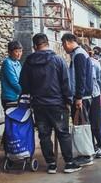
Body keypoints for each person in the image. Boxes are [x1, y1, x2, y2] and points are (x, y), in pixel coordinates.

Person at [19, 33, 81, 174]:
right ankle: (69, 163)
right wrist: (68, 101)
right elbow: (66, 83)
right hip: (57, 104)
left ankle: (51, 164)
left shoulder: (28, 62)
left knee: (44, 135)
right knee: (63, 133)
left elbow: (24, 84)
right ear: (47, 43)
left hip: (39, 105)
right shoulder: (58, 60)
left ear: (35, 46)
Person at [61, 34, 94, 167]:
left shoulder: (79, 54)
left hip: (82, 97)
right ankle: (85, 152)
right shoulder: (79, 54)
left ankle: (86, 155)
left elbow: (81, 77)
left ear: (68, 42)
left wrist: (78, 97)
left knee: (81, 126)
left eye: (63, 45)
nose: (64, 48)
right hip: (82, 96)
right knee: (82, 125)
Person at [88, 45, 101, 159]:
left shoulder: (96, 63)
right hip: (93, 95)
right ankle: (93, 145)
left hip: (96, 95)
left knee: (98, 122)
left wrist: (98, 91)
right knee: (91, 123)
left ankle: (100, 144)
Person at [0, 40, 23, 110]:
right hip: (9, 98)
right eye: (16, 51)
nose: (19, 54)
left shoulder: (18, 63)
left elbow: (22, 79)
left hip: (17, 97)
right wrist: (25, 92)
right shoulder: (7, 63)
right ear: (10, 52)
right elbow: (14, 82)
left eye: (20, 51)